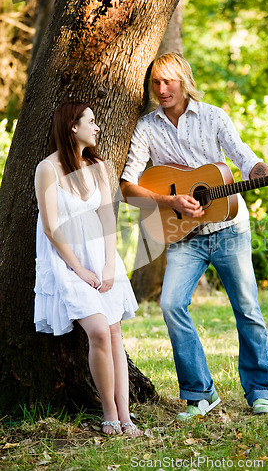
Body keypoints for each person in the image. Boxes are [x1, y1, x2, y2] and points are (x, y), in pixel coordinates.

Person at [120, 52, 268, 420]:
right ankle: (200, 393)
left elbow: (243, 157)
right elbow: (127, 186)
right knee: (170, 305)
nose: (162, 89)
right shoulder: (147, 127)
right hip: (185, 234)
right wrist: (170, 199)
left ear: (184, 80)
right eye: (156, 83)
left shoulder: (213, 116)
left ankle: (261, 391)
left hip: (229, 228)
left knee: (247, 309)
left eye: (169, 81)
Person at [34, 101, 142, 436]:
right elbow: (51, 227)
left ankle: (125, 416)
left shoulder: (97, 165)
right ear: (72, 127)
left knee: (114, 333)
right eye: (91, 121)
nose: (97, 127)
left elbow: (107, 216)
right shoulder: (47, 169)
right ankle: (109, 412)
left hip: (101, 257)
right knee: (97, 331)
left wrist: (109, 265)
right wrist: (79, 269)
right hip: (68, 262)